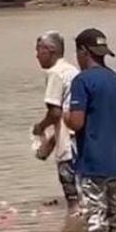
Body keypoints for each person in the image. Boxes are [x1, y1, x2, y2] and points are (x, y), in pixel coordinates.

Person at [66, 29, 116, 232]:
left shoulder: (82, 81)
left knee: (96, 221)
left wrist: (63, 116)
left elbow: (77, 122)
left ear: (83, 51)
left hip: (93, 162)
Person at [33, 31, 81, 215]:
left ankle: (73, 217)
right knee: (81, 181)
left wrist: (40, 127)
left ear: (50, 50)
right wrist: (51, 142)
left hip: (68, 136)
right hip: (78, 130)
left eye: (38, 50)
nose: (36, 55)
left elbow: (55, 112)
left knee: (68, 181)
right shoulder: (72, 70)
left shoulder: (55, 73)